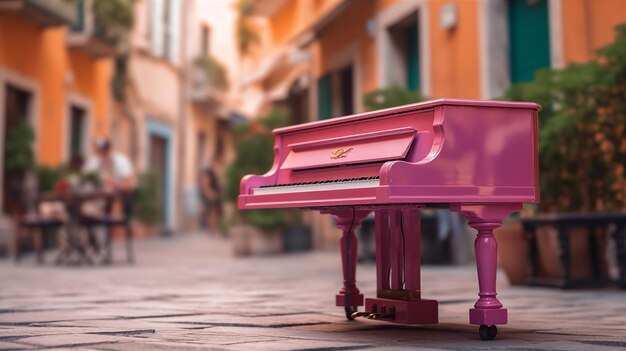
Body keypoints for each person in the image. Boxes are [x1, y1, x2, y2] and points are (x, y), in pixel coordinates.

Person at [198, 167, 222, 233]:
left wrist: (207, 189)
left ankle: (214, 229)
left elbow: (214, 197)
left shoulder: (214, 186)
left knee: (213, 210)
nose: (205, 179)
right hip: (208, 204)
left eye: (207, 177)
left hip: (214, 204)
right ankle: (210, 229)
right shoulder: (202, 188)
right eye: (203, 177)